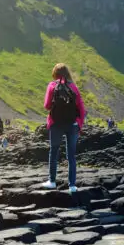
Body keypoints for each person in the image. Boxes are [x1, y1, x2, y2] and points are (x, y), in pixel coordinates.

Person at [41, 63, 86, 192]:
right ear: (67, 73)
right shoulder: (73, 87)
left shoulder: (52, 86)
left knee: (53, 152)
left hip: (56, 124)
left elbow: (47, 105)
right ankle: (72, 185)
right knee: (71, 155)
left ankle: (52, 181)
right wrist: (79, 124)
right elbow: (81, 108)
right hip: (72, 125)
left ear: (55, 73)